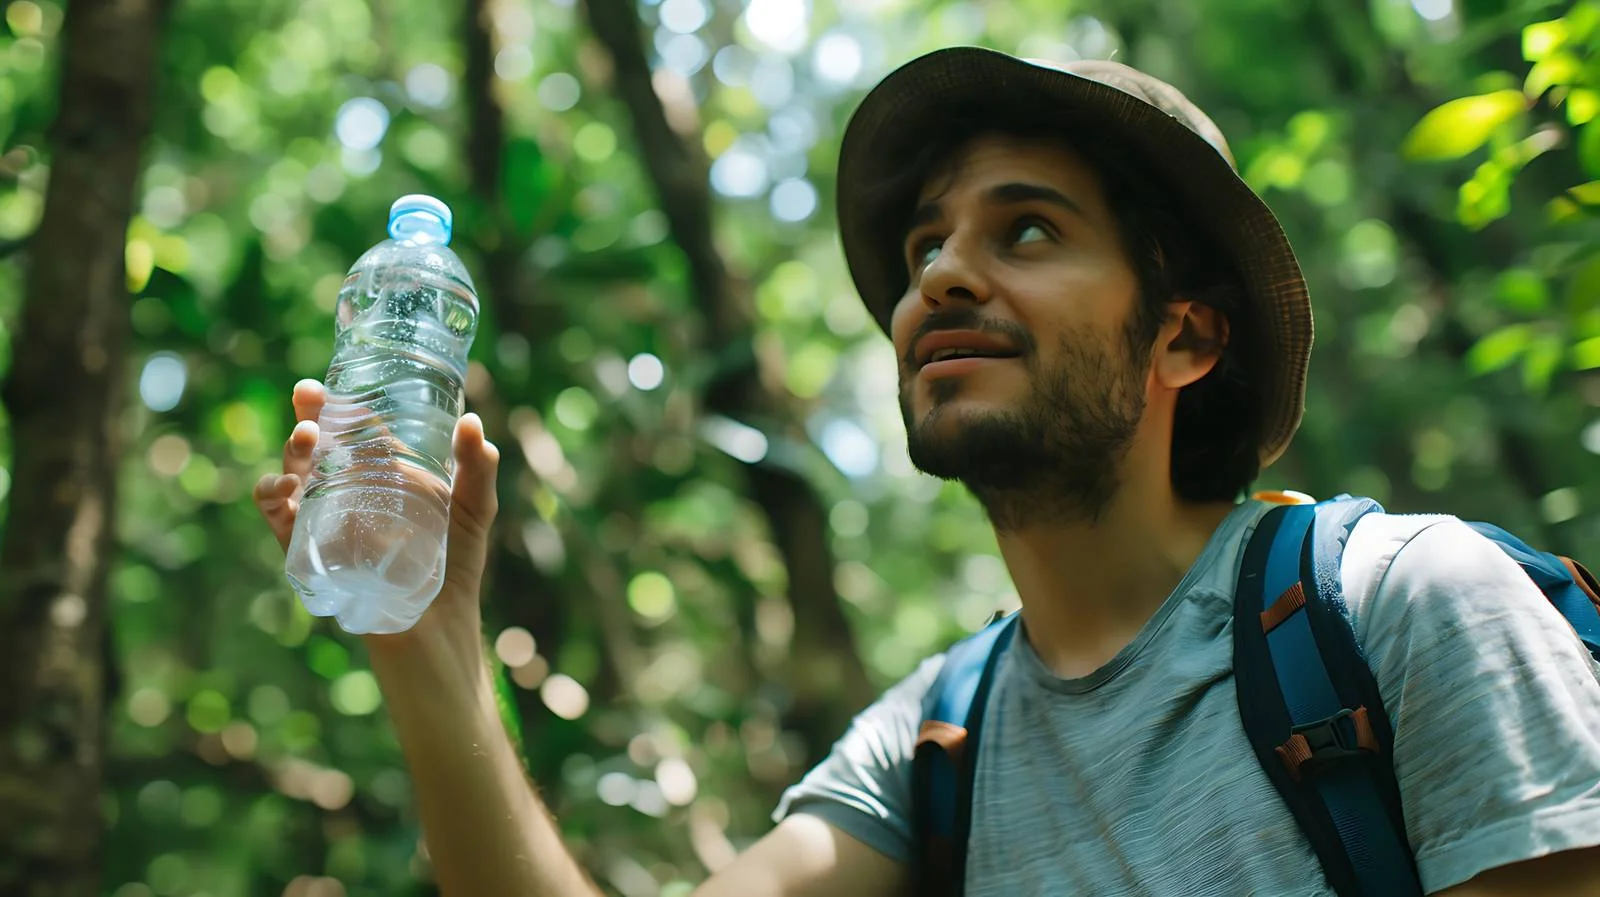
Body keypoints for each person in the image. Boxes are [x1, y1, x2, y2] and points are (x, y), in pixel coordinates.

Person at [254, 47, 1600, 896]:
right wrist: (432, 655)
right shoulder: (933, 744)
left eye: (1027, 229)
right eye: (922, 249)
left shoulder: (1412, 606)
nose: (941, 274)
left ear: (1183, 336)